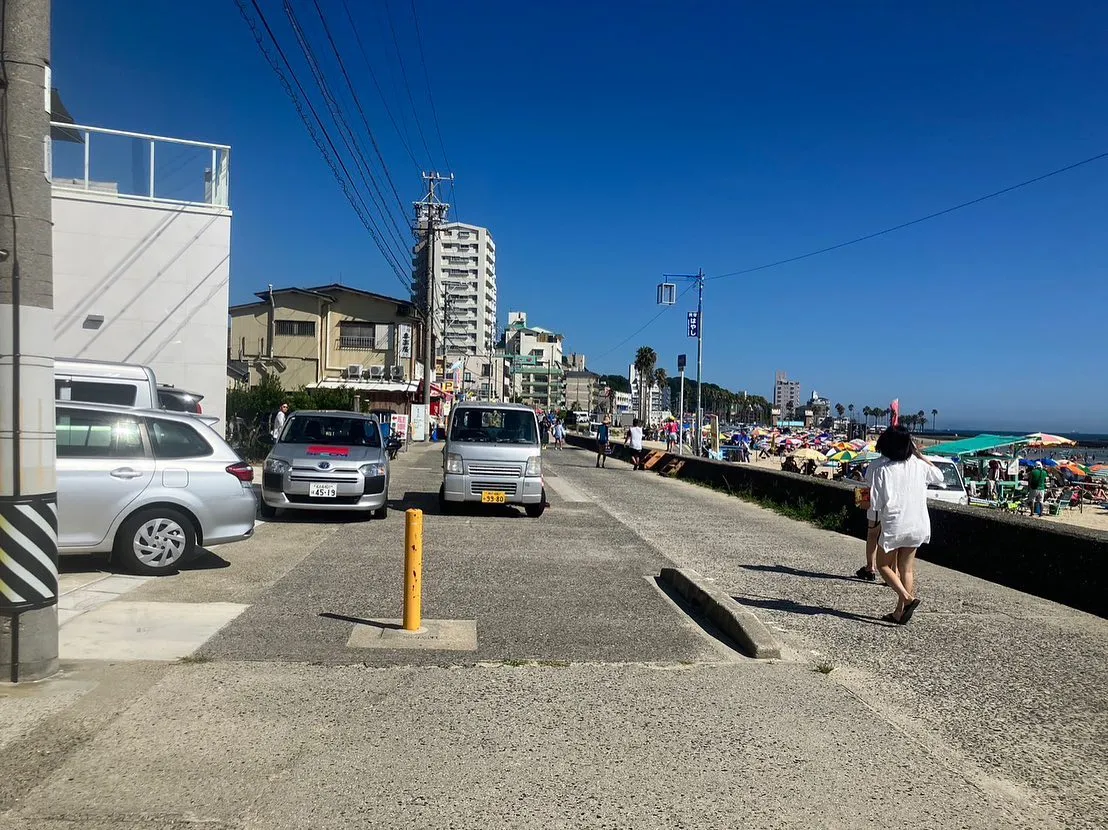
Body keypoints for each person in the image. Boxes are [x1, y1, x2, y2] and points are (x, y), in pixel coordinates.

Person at [868, 425, 943, 624]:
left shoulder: (883, 470)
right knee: (906, 569)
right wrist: (919, 455)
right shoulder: (918, 466)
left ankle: (907, 600)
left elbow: (876, 503)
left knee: (883, 565)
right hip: (918, 523)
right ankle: (899, 612)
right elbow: (939, 476)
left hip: (895, 523)